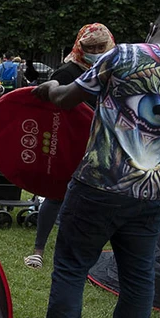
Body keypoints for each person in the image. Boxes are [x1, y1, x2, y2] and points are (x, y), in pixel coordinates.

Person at [29, 6, 160, 318]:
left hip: (98, 183)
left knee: (70, 266)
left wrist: (48, 88)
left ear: (154, 27)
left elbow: (67, 97)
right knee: (139, 276)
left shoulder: (125, 54)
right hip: (150, 192)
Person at [23, 23, 116, 270]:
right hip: (69, 142)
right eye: (91, 47)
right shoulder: (67, 72)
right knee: (56, 195)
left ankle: (87, 254)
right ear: (80, 47)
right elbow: (48, 106)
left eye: (101, 46)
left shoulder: (114, 69)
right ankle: (38, 251)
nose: (96, 51)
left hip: (103, 144)